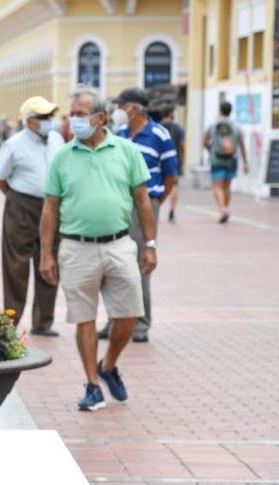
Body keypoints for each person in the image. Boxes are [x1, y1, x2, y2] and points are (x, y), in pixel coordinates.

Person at [40, 86, 158, 411]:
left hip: (120, 243)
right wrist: (47, 254)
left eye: (81, 113)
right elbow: (50, 208)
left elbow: (143, 200)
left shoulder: (127, 151)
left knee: (130, 314)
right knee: (84, 318)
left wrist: (149, 244)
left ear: (101, 117)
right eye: (72, 113)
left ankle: (109, 366)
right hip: (76, 248)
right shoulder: (63, 156)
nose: (74, 119)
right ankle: (92, 383)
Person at [99, 88, 178, 343]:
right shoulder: (119, 134)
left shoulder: (159, 135)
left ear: (133, 108)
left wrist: (152, 204)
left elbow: (170, 176)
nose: (117, 111)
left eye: (121, 106)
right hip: (118, 204)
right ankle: (114, 319)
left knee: (143, 261)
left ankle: (141, 323)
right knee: (114, 262)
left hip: (145, 203)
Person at [0, 96, 64, 337]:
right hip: (22, 205)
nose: (49, 122)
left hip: (52, 206)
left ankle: (43, 321)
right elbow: (1, 179)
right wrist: (17, 201)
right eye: (43, 117)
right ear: (30, 121)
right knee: (16, 265)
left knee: (49, 259)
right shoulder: (14, 144)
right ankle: (12, 321)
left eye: (50, 117)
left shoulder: (57, 139)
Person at [204, 101, 249, 223]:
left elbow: (205, 141)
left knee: (218, 187)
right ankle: (226, 208)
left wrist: (210, 150)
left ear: (220, 110)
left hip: (216, 158)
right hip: (231, 159)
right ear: (231, 111)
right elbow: (242, 145)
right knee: (227, 186)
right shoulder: (236, 126)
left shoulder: (213, 125)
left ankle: (223, 209)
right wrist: (245, 163)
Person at [160, 104, 186, 223]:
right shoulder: (178, 128)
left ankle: (156, 208)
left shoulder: (157, 127)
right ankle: (172, 211)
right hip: (173, 160)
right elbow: (183, 146)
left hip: (158, 160)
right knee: (174, 185)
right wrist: (183, 159)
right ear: (171, 114)